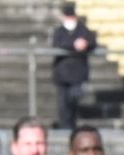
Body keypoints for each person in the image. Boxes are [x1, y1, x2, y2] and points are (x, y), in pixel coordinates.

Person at [51, 3, 97, 131]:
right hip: (61, 74)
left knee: (73, 99)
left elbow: (93, 42)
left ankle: (71, 125)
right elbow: (56, 43)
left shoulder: (83, 30)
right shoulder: (59, 31)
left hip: (78, 74)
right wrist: (73, 45)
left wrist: (85, 44)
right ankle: (65, 126)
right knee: (63, 104)